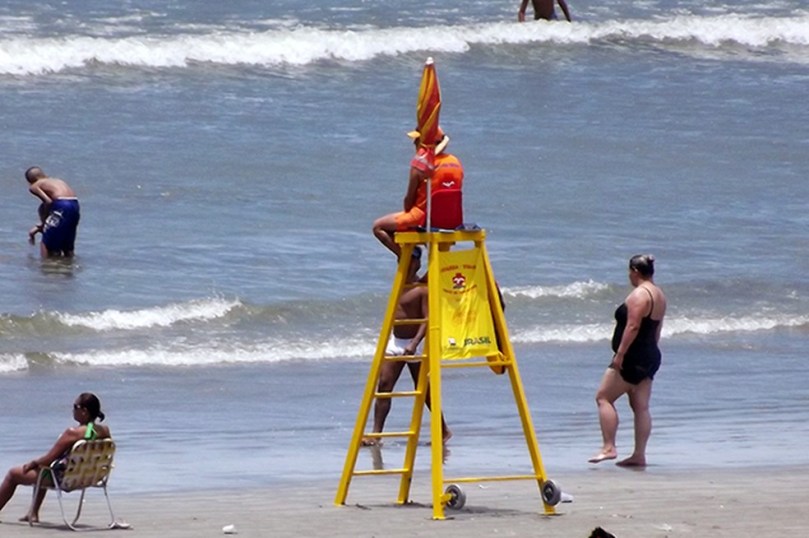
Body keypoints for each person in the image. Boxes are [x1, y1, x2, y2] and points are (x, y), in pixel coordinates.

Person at [362, 247, 452, 446]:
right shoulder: (399, 282)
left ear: (418, 263)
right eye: (403, 259)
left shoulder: (422, 287)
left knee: (424, 390)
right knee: (384, 385)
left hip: (414, 343)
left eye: (411, 260)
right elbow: (381, 234)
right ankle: (376, 435)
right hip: (395, 340)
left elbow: (427, 320)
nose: (406, 263)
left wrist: (414, 344)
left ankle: (443, 429)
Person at [589, 255, 666, 467]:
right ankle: (639, 455)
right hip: (650, 354)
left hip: (632, 356)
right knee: (640, 406)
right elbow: (657, 328)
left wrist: (620, 355)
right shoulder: (659, 294)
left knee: (603, 397)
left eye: (629, 272)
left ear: (634, 270)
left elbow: (632, 327)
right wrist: (651, 351)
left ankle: (609, 447)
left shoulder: (639, 295)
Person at [0, 393, 110, 522]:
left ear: (84, 411)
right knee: (43, 470)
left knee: (13, 474)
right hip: (91, 476)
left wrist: (33, 463)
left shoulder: (73, 433)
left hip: (65, 478)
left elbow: (49, 459)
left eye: (75, 406)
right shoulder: (104, 431)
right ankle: (33, 513)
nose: (73, 410)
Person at [372, 127, 464, 258]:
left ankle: (409, 258)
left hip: (424, 217)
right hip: (452, 221)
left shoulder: (420, 166)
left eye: (417, 139)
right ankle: (436, 265)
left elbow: (408, 203)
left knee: (378, 227)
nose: (414, 143)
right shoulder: (455, 161)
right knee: (430, 222)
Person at [26, 166, 81, 258]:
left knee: (46, 243)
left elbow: (48, 202)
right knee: (67, 245)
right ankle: (69, 267)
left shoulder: (34, 186)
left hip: (61, 205)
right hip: (74, 204)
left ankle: (45, 266)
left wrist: (44, 223)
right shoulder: (56, 180)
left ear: (30, 180)